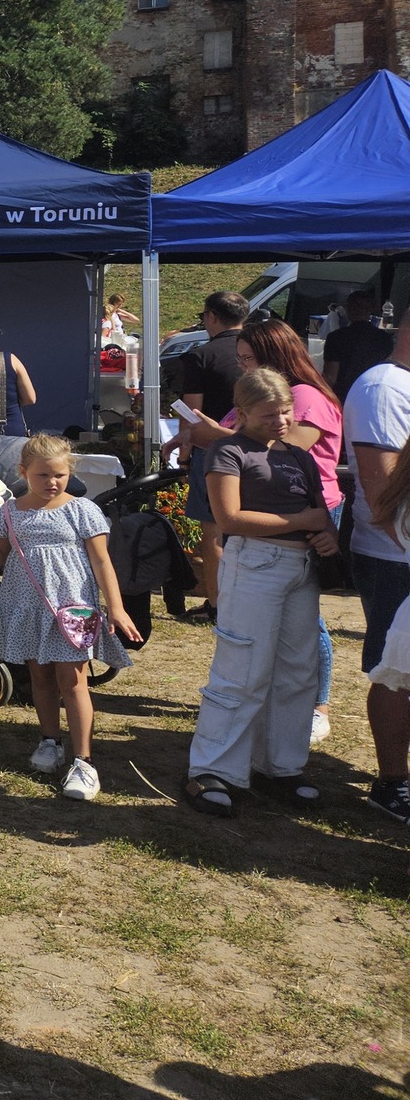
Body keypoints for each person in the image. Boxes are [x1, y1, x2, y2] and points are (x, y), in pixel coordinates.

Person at [182, 369, 335, 817]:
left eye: (286, 411)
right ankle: (211, 770)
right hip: (254, 565)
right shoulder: (228, 450)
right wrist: (304, 523)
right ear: (243, 412)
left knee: (297, 671)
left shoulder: (297, 455)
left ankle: (281, 765)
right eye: (269, 414)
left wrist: (327, 535)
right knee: (242, 669)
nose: (281, 421)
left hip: (301, 569)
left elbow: (319, 510)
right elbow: (229, 518)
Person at [187, 319, 344, 746]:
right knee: (266, 640)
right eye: (239, 360)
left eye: (249, 358)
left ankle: (317, 707)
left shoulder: (304, 397)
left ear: (275, 356)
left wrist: (215, 437)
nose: (242, 366)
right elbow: (244, 451)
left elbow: (285, 452)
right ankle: (270, 729)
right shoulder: (261, 397)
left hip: (304, 514)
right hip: (269, 527)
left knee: (305, 628)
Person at [0, 433, 137, 801]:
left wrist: (116, 607)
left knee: (73, 681)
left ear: (69, 472)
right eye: (42, 475)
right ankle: (50, 740)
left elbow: (102, 561)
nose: (52, 482)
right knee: (40, 677)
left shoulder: (82, 510)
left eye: (59, 475)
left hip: (70, 610)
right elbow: (0, 557)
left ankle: (84, 761)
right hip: (27, 607)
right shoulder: (10, 512)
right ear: (23, 473)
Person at [344, 317, 410, 824]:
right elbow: (381, 491)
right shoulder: (384, 387)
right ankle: (392, 782)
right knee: (396, 673)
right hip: (395, 558)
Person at [169, 291, 250, 608]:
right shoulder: (258, 351)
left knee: (213, 530)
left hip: (213, 450)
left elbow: (192, 414)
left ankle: (217, 604)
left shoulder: (200, 355)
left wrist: (184, 456)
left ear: (212, 317)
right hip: (256, 448)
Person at [324, 290, 393, 403]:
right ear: (371, 309)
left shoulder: (336, 338)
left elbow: (330, 377)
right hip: (374, 397)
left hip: (343, 399)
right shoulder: (385, 339)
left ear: (347, 309)